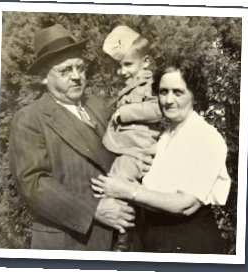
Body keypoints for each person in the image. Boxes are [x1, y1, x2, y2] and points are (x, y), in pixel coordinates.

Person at [9, 23, 137, 251]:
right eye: (66, 70)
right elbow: (33, 185)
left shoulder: (99, 106)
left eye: (80, 67)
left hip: (119, 237)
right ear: (43, 78)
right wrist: (95, 210)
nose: (77, 77)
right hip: (71, 242)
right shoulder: (30, 118)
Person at [91, 58, 232, 254]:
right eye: (163, 91)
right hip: (151, 239)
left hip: (188, 241)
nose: (168, 100)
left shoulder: (206, 137)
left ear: (194, 95)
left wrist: (129, 190)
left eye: (178, 92)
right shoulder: (164, 137)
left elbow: (185, 204)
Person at [101, 25, 162, 251]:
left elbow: (158, 109)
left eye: (128, 64)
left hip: (138, 150)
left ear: (145, 62)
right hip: (127, 148)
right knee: (113, 187)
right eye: (120, 66)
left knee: (119, 188)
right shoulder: (132, 86)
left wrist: (125, 113)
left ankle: (123, 241)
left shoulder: (151, 84)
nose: (122, 71)